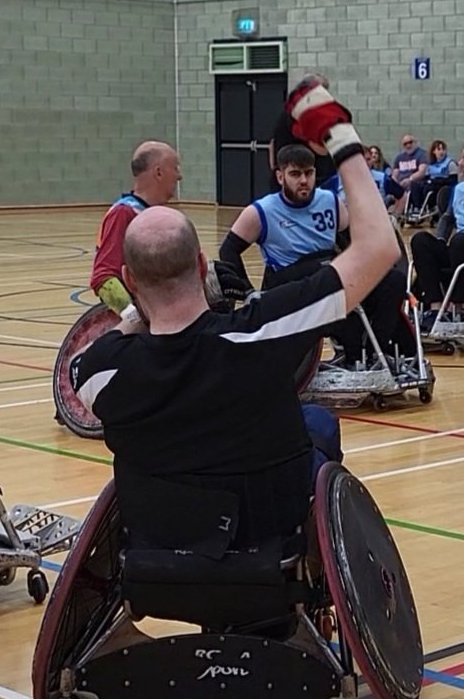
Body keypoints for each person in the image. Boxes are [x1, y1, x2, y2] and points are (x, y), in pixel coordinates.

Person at [71, 80, 400, 549]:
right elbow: (379, 247)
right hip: (264, 541)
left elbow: (103, 349)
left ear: (131, 279)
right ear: (203, 265)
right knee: (318, 424)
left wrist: (138, 311)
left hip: (157, 549)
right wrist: (341, 137)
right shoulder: (264, 332)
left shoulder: (98, 370)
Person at [219, 143, 408, 365]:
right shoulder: (261, 211)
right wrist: (248, 292)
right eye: (295, 174)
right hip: (290, 278)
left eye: (308, 173)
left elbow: (350, 241)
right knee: (332, 283)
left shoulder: (329, 201)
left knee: (393, 280)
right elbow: (228, 250)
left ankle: (376, 350)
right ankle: (355, 354)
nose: (303, 180)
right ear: (280, 177)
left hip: (327, 270)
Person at [89, 141, 181, 321]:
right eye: (175, 168)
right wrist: (133, 318)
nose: (180, 176)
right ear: (159, 172)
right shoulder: (123, 214)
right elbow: (103, 277)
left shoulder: (160, 215)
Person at [410, 178, 464, 329]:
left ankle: (459, 308)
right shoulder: (459, 189)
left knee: (460, 241)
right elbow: (448, 218)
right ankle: (435, 308)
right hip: (457, 249)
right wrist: (440, 240)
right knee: (420, 240)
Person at [268, 73, 336, 191]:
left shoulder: (287, 112)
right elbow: (320, 148)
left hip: (286, 177)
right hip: (312, 180)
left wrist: (276, 169)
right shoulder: (309, 115)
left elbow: (271, 145)